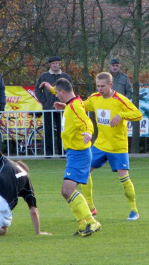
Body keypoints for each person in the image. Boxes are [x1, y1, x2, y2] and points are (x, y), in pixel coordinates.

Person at [39, 78, 101, 237]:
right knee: (66, 192)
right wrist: (51, 89)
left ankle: (92, 222)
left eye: (58, 94)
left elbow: (87, 121)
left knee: (67, 190)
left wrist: (88, 132)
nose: (57, 97)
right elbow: (66, 98)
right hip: (74, 153)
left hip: (79, 154)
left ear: (63, 92)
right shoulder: (72, 103)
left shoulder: (75, 107)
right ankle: (83, 225)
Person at [80, 72, 143, 221]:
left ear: (110, 85)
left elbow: (138, 114)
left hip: (118, 147)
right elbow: (80, 106)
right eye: (98, 86)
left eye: (102, 86)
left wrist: (121, 115)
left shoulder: (120, 100)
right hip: (100, 145)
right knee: (84, 171)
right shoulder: (94, 98)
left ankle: (134, 210)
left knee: (124, 178)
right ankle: (91, 207)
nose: (100, 89)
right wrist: (65, 103)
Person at [34, 56, 72, 157]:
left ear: (60, 64)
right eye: (53, 63)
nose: (55, 65)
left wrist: (66, 101)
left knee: (62, 130)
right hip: (48, 108)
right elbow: (37, 90)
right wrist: (44, 101)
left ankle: (62, 152)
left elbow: (70, 90)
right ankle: (49, 153)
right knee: (48, 130)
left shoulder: (65, 76)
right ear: (50, 65)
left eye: (57, 63)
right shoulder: (44, 76)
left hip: (63, 108)